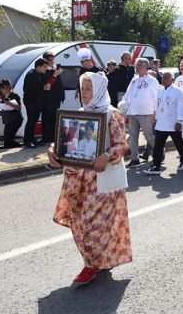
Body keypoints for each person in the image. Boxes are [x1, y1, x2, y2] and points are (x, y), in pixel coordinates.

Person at [47, 72, 132, 286]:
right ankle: (99, 260)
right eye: (82, 88)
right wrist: (53, 149)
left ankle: (91, 265)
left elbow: (122, 144)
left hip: (103, 179)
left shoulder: (112, 114)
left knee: (93, 224)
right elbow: (66, 142)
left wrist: (107, 155)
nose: (83, 92)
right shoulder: (79, 114)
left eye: (88, 88)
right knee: (79, 222)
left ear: (99, 90)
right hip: (78, 179)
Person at [143, 72, 183, 175]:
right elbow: (157, 105)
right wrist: (155, 119)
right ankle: (156, 165)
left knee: (178, 143)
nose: (163, 80)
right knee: (158, 145)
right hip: (161, 123)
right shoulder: (159, 90)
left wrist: (179, 121)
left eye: (166, 78)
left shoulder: (177, 91)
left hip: (173, 123)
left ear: (172, 80)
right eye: (163, 78)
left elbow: (181, 107)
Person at [123, 58, 159, 167]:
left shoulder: (152, 81)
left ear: (145, 67)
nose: (137, 67)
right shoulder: (134, 79)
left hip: (146, 113)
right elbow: (127, 94)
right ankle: (135, 159)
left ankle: (158, 152)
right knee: (133, 137)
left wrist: (155, 113)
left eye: (139, 65)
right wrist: (124, 106)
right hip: (133, 113)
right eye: (136, 65)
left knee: (149, 137)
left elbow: (157, 98)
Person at [23, 57, 48, 148]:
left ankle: (32, 139)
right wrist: (43, 88)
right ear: (38, 66)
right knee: (31, 121)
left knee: (34, 121)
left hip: (36, 102)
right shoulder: (31, 75)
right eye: (44, 66)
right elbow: (30, 90)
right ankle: (27, 141)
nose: (46, 68)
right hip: (31, 102)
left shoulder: (38, 74)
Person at [41, 51, 65, 143]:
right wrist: (55, 75)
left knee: (55, 117)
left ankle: (54, 137)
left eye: (52, 59)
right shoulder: (44, 71)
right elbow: (47, 83)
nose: (51, 61)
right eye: (49, 60)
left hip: (56, 97)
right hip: (47, 98)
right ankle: (46, 137)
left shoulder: (54, 69)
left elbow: (59, 83)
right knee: (47, 117)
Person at [0, 79, 23, 148]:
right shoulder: (3, 97)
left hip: (16, 119)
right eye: (1, 88)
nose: (2, 90)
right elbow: (5, 107)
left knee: (9, 139)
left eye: (3, 88)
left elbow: (19, 108)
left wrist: (9, 103)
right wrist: (0, 111)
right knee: (6, 139)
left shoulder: (15, 95)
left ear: (8, 87)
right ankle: (15, 145)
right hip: (8, 120)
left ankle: (19, 146)